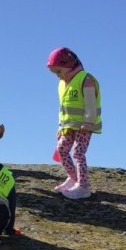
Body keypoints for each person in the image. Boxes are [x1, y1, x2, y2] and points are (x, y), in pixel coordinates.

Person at [46, 47, 101, 200]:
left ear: (68, 65)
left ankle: (83, 186)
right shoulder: (62, 84)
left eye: (59, 71)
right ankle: (74, 178)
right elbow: (63, 107)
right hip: (68, 126)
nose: (57, 76)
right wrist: (60, 126)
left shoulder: (85, 79)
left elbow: (90, 102)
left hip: (85, 125)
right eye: (55, 73)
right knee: (61, 149)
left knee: (78, 152)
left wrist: (89, 121)